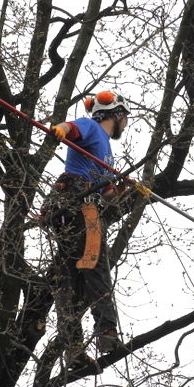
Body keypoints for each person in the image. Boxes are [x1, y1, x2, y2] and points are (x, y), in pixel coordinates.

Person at [44, 90, 130, 369]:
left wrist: (122, 190)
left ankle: (73, 347)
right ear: (117, 115)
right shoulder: (92, 127)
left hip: (69, 208)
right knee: (96, 264)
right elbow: (72, 128)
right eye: (125, 118)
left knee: (71, 278)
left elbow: (108, 195)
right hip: (79, 201)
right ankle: (107, 333)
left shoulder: (106, 155)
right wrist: (60, 130)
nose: (125, 124)